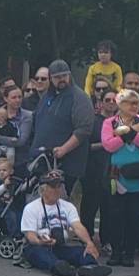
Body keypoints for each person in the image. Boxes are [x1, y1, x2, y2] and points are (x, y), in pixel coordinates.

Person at [21, 170, 110, 276]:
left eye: (59, 186)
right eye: (53, 187)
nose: (57, 190)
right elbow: (30, 235)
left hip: (60, 245)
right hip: (39, 246)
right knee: (39, 254)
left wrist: (89, 243)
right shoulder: (31, 208)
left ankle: (90, 266)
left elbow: (77, 227)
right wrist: (40, 241)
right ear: (43, 190)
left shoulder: (68, 206)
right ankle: (58, 267)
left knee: (80, 251)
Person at [100, 88, 139, 267]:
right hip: (117, 177)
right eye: (130, 103)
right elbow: (108, 145)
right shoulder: (109, 122)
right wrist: (132, 132)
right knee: (115, 215)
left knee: (134, 216)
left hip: (138, 177)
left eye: (136, 103)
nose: (134, 106)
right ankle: (116, 251)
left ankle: (129, 253)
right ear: (120, 104)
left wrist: (125, 131)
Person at [30, 59, 95, 193]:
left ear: (69, 75)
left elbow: (84, 129)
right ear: (51, 78)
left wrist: (64, 149)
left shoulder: (79, 97)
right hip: (42, 160)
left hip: (66, 164)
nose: (61, 80)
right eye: (57, 77)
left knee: (59, 203)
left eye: (64, 76)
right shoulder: (46, 97)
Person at [81, 89, 115, 246]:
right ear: (101, 103)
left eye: (114, 100)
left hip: (113, 171)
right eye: (107, 100)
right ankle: (86, 239)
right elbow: (85, 146)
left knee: (109, 208)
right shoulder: (94, 121)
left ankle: (106, 241)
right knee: (89, 207)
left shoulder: (121, 122)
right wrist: (105, 144)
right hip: (92, 171)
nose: (111, 103)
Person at [0, 84, 32, 170]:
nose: (18, 100)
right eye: (14, 97)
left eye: (20, 97)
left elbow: (21, 141)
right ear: (6, 99)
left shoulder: (27, 116)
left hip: (19, 161)